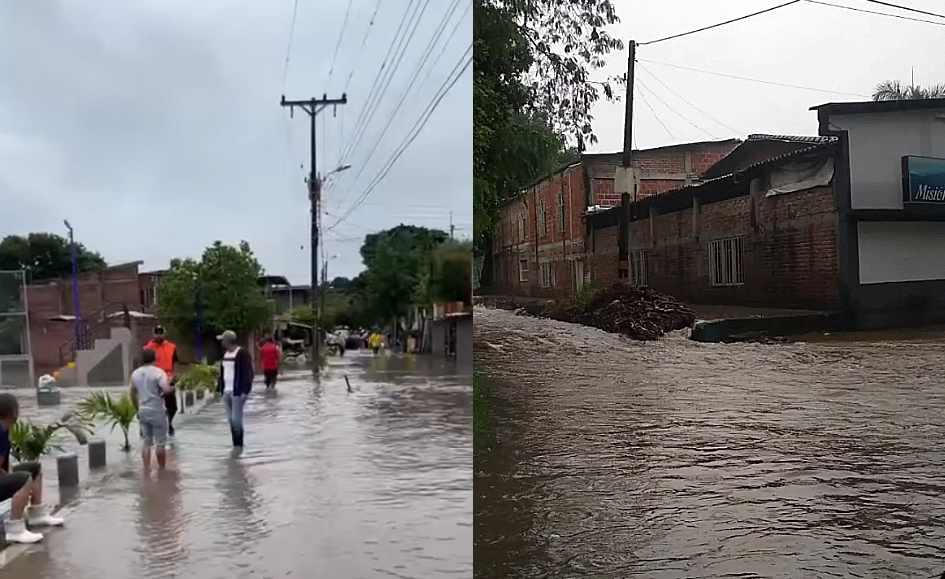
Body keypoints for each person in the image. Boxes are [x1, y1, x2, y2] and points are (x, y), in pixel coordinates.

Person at [0, 393, 64, 544]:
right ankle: (15, 529)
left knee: (34, 468)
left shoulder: (5, 429)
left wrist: (8, 474)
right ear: (14, 412)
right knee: (24, 478)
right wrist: (10, 478)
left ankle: (37, 514)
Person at [129, 348, 173, 473]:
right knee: (160, 443)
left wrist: (137, 409)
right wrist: (172, 387)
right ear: (155, 358)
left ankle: (146, 469)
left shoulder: (135, 374)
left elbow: (132, 393)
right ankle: (162, 470)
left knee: (146, 442)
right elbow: (166, 389)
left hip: (143, 410)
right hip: (157, 410)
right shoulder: (159, 373)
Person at [217, 330, 254, 449]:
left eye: (223, 340)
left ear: (228, 341)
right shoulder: (225, 354)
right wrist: (220, 389)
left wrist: (245, 391)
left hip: (237, 392)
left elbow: (248, 373)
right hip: (226, 391)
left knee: (236, 420)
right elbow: (222, 373)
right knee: (230, 420)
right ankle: (235, 446)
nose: (221, 342)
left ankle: (238, 446)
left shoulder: (242, 354)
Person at [143, 326, 180, 436]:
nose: (159, 335)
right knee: (154, 404)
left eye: (161, 333)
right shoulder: (147, 348)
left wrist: (174, 376)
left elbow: (176, 362)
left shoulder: (172, 347)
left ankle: (169, 423)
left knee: (172, 406)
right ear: (153, 334)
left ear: (164, 334)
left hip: (168, 378)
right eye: (156, 333)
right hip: (153, 379)